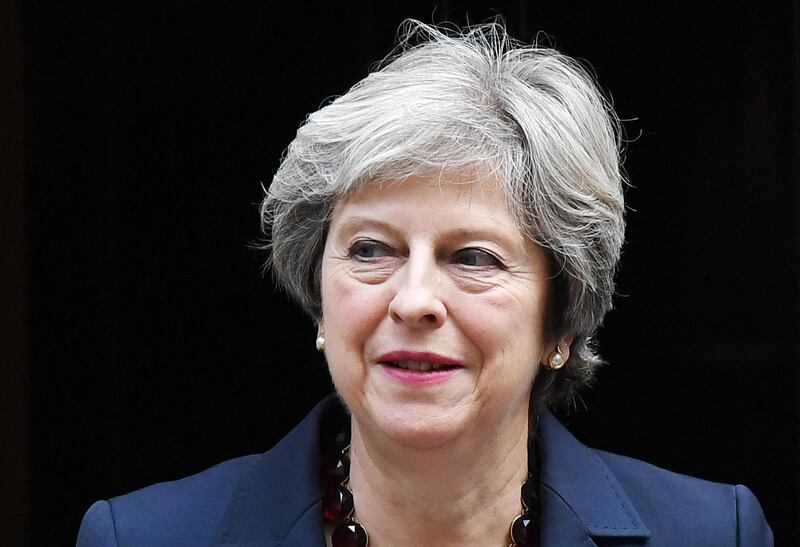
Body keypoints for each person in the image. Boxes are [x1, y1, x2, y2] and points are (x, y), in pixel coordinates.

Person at [77, 21, 773, 546]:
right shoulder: (142, 535)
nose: (413, 300)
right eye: (372, 248)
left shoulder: (715, 531)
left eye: (472, 258)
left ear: (559, 321)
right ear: (320, 296)